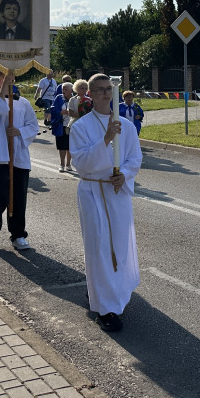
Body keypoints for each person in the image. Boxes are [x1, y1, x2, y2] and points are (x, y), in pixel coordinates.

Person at [70, 73, 143, 333]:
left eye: (107, 90)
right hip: (93, 192)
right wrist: (106, 139)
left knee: (119, 246)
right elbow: (79, 163)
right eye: (99, 90)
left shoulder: (127, 124)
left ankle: (115, 292)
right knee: (100, 248)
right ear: (89, 94)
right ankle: (105, 308)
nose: (104, 94)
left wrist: (124, 174)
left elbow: (135, 158)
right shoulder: (80, 127)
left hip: (117, 192)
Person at [0, 71, 39, 251]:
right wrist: (4, 90)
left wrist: (19, 131)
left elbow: (33, 125)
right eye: (4, 77)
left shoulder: (22, 102)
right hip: (1, 155)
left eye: (11, 77)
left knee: (18, 198)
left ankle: (18, 235)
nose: (9, 80)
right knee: (0, 194)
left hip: (19, 157)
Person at [50, 82, 72, 172]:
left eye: (66, 89)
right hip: (60, 125)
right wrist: (62, 112)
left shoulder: (74, 98)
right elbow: (53, 108)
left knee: (70, 146)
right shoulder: (59, 97)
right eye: (63, 89)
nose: (64, 91)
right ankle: (62, 164)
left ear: (71, 90)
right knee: (62, 146)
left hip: (71, 125)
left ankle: (68, 164)